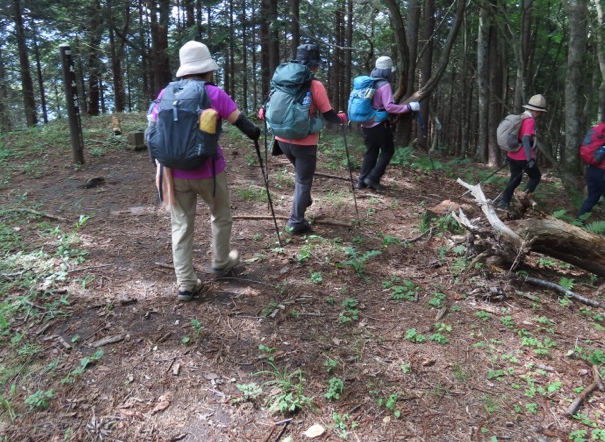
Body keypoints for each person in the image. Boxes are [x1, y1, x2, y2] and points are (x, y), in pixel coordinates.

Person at [149, 40, 261, 302]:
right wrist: (257, 133)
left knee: (181, 225)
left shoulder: (165, 94)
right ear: (208, 69)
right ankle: (221, 261)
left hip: (173, 173)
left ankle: (186, 283)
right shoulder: (215, 93)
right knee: (220, 215)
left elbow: (153, 129)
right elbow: (244, 125)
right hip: (209, 170)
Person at [264, 43, 347, 235]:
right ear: (315, 66)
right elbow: (329, 116)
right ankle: (296, 222)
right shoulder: (315, 85)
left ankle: (304, 200)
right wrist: (342, 118)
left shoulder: (281, 80)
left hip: (281, 139)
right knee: (303, 181)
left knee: (302, 179)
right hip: (305, 143)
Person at [356, 56, 420, 191]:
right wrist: (409, 107)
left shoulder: (369, 82)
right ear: (386, 71)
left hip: (366, 124)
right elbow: (389, 107)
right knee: (388, 150)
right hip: (379, 124)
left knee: (371, 151)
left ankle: (362, 181)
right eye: (390, 71)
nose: (392, 73)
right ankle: (372, 178)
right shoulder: (384, 85)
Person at [496, 94, 547, 208]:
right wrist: (529, 158)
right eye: (540, 112)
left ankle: (504, 201)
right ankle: (524, 201)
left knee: (515, 178)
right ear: (537, 111)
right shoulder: (529, 121)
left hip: (512, 154)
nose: (540, 114)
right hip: (523, 156)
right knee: (536, 176)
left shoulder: (521, 117)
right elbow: (525, 138)